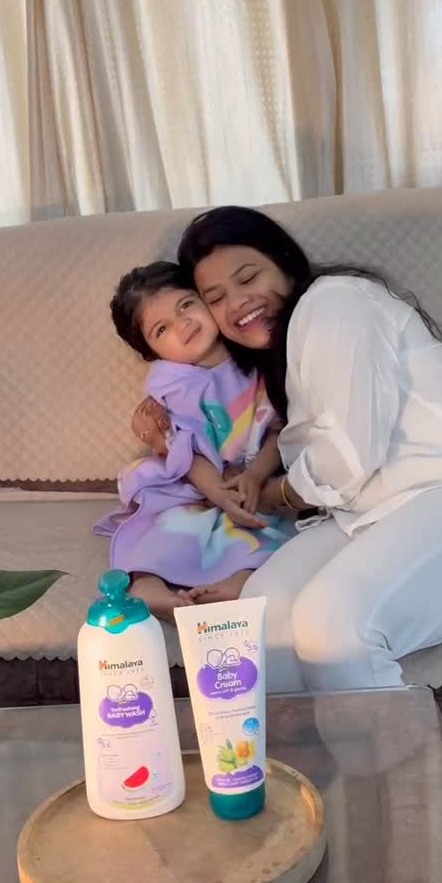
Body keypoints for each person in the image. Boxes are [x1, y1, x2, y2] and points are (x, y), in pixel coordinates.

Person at [132, 209, 442, 691]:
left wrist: (273, 495)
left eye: (248, 278)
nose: (237, 304)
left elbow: (347, 459)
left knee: (331, 623)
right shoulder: (284, 352)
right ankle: (300, 744)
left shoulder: (335, 302)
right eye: (215, 298)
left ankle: (394, 747)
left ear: (284, 262)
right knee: (263, 611)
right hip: (376, 510)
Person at [96, 260, 294, 621]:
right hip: (193, 483)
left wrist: (254, 476)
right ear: (151, 352)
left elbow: (279, 430)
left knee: (267, 527)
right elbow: (186, 450)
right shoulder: (172, 385)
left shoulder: (256, 354)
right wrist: (220, 495)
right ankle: (148, 585)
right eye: (161, 329)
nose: (183, 324)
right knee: (169, 527)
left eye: (186, 305)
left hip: (259, 477)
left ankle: (239, 582)